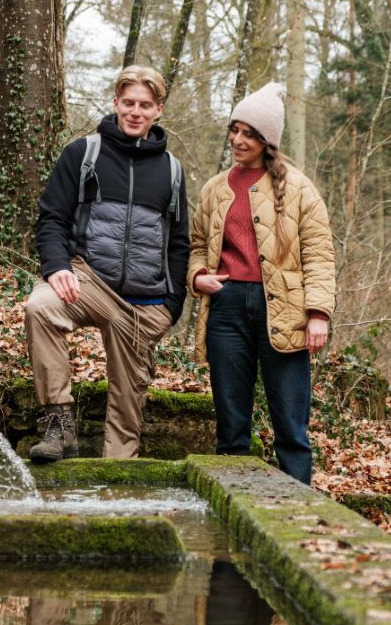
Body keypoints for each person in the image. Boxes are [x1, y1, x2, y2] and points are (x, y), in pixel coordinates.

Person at [24, 65, 190, 462]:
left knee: (127, 416)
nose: (135, 111)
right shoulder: (84, 153)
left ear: (158, 110)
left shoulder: (172, 171)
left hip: (143, 305)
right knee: (40, 308)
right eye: (128, 102)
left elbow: (179, 244)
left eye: (145, 105)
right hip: (88, 282)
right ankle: (59, 426)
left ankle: (119, 479)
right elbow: (52, 218)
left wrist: (171, 307)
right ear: (115, 103)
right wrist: (57, 266)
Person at [187, 82, 336, 484]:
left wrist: (318, 313)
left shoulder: (300, 188)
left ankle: (297, 516)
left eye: (248, 133)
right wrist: (198, 276)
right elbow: (198, 244)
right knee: (231, 425)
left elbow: (320, 254)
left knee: (291, 425)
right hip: (227, 306)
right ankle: (233, 509)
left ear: (266, 140)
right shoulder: (215, 188)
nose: (237, 139)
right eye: (234, 129)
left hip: (285, 309)